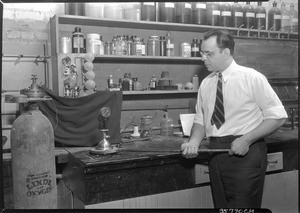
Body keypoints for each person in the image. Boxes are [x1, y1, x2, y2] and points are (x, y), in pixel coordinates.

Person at [181, 29, 287, 208]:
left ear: (226, 53)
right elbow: (200, 120)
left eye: (209, 54)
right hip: (215, 154)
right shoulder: (206, 83)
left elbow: (278, 117)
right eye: (202, 53)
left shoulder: (252, 78)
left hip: (246, 153)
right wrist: (193, 142)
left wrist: (246, 140)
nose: (203, 58)